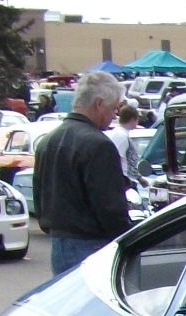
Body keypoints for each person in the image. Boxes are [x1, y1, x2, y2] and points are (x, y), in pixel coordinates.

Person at [33, 70, 132, 275]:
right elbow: (110, 208)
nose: (114, 116)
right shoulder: (99, 145)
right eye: (113, 109)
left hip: (58, 242)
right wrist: (128, 240)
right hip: (90, 245)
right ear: (98, 104)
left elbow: (39, 198)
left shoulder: (47, 141)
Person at [105, 103, 143, 181]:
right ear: (132, 119)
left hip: (127, 179)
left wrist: (139, 178)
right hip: (124, 180)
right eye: (137, 119)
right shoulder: (121, 135)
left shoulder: (120, 133)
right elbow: (116, 158)